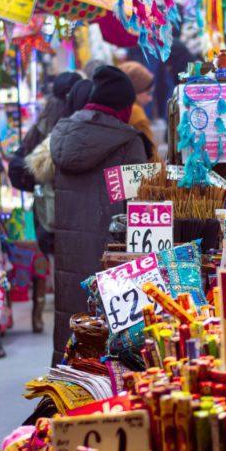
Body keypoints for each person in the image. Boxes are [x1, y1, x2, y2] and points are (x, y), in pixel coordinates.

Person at [48, 66, 148, 364]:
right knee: (104, 330)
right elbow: (137, 203)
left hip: (68, 251)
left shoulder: (63, 134)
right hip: (110, 252)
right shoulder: (128, 141)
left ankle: (66, 387)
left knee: (71, 321)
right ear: (124, 107)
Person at [7, 71, 92, 333]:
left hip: (46, 210)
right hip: (69, 208)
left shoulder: (42, 123)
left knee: (57, 266)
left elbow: (19, 165)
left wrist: (37, 180)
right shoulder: (73, 125)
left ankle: (57, 313)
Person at [119, 61, 161, 162]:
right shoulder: (136, 113)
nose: (150, 99)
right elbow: (152, 156)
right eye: (148, 93)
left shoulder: (116, 107)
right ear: (136, 91)